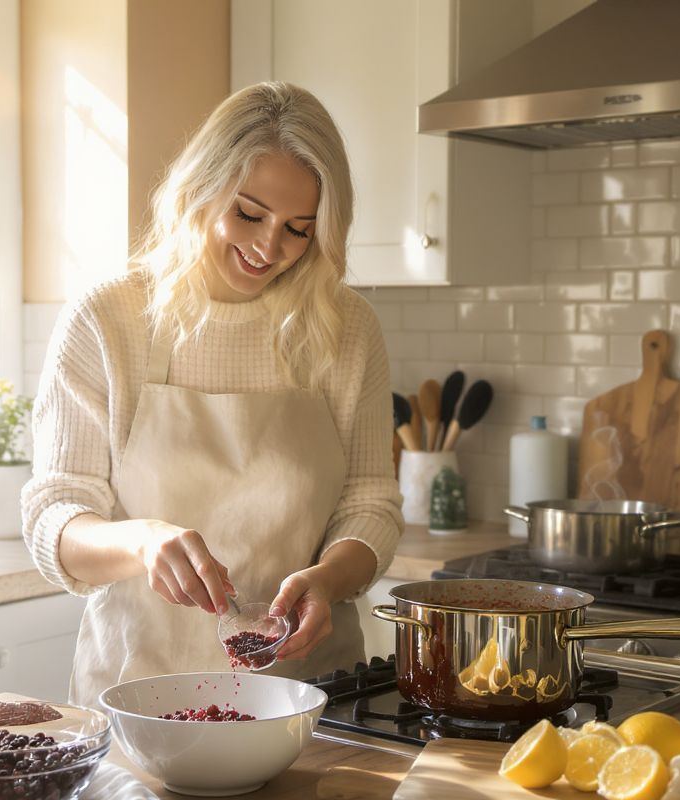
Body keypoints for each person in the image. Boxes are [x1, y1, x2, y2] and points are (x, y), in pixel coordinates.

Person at [22, 81, 403, 707]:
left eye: (299, 230)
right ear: (200, 188)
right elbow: (54, 519)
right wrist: (143, 541)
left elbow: (371, 503)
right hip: (142, 703)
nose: (268, 248)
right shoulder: (109, 318)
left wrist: (330, 580)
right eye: (249, 214)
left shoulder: (346, 326)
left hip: (308, 702)